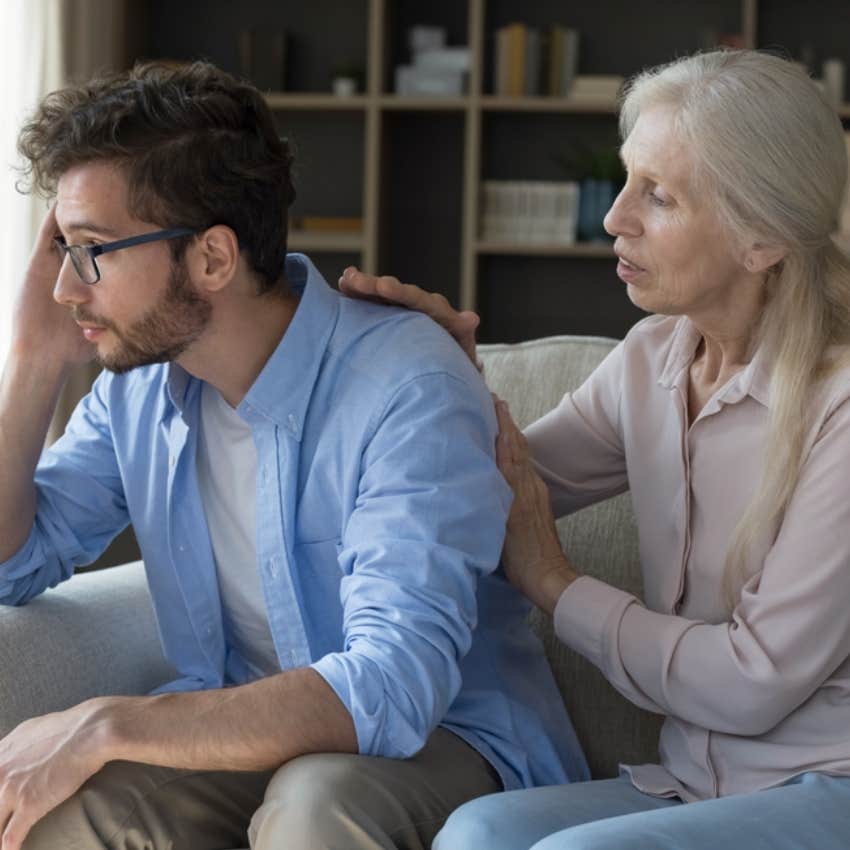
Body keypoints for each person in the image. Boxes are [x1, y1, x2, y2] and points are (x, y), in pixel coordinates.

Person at [0, 62, 589, 850]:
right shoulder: (139, 392)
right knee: (70, 809)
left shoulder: (406, 385)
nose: (68, 287)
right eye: (65, 249)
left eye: (94, 251)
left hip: (452, 745)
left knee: (316, 801)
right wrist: (33, 362)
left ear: (213, 259)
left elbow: (392, 687)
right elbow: (12, 564)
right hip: (252, 733)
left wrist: (111, 722)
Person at [339, 48, 850, 849]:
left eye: (659, 195)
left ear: (761, 240)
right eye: (625, 181)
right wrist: (438, 369)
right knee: (476, 836)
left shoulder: (842, 407)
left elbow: (753, 685)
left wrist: (554, 582)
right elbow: (489, 491)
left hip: (827, 791)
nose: (615, 218)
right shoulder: (652, 359)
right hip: (690, 789)